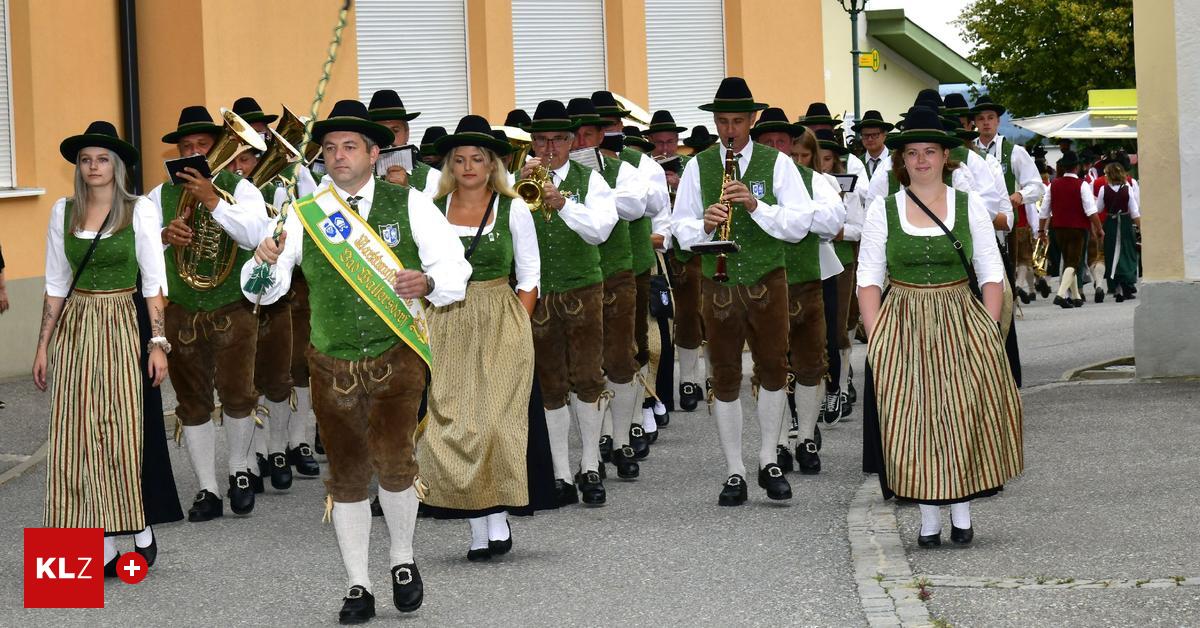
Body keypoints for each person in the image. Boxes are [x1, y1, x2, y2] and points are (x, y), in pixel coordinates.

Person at [245, 99, 471, 622]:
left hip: (397, 357)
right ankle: (357, 584)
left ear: (374, 152)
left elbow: (452, 269)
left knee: (395, 463)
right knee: (345, 475)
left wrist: (430, 282)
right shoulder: (305, 215)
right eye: (329, 148)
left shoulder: (409, 203)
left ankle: (402, 559)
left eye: (349, 147)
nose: (338, 156)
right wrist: (263, 262)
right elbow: (264, 290)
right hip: (331, 362)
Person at [858, 106, 1023, 548]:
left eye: (930, 151)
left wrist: (987, 329)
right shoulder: (883, 209)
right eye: (913, 153)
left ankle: (963, 513)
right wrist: (877, 339)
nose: (922, 160)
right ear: (903, 160)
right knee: (912, 418)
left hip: (959, 315)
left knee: (961, 412)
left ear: (945, 155)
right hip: (903, 319)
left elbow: (991, 272)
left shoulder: (968, 207)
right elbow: (868, 279)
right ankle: (929, 519)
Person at [672, 77, 841, 506]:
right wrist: (703, 225)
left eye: (737, 121)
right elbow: (678, 228)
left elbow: (799, 222)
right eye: (722, 121)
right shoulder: (699, 165)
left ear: (752, 120)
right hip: (720, 282)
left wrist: (754, 205)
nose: (729, 130)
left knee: (772, 368)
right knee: (724, 375)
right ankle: (734, 470)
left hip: (768, 280)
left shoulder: (776, 163)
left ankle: (768, 457)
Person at [415, 115, 554, 561]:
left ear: (492, 164)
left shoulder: (514, 208)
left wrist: (519, 321)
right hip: (446, 318)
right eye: (460, 159)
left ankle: (498, 516)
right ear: (449, 166)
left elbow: (530, 273)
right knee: (456, 422)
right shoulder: (429, 208)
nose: (469, 166)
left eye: (477, 158)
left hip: (500, 317)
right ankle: (479, 526)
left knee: (497, 420)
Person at [33, 121, 169, 575]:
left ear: (116, 166)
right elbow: (56, 284)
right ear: (78, 166)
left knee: (118, 431)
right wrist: (42, 347)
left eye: (102, 159)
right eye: (87, 159)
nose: (94, 166)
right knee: (75, 434)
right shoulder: (63, 212)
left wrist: (158, 343)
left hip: (120, 325)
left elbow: (153, 283)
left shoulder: (140, 212)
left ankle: (139, 528)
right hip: (76, 328)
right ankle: (103, 539)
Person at [155, 106, 270, 521]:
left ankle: (239, 470)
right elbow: (143, 248)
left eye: (201, 146)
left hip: (232, 307)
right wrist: (166, 237)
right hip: (183, 310)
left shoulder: (240, 188)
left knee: (239, 394)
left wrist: (212, 201)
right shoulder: (160, 194)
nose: (192, 152)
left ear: (216, 149)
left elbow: (256, 234)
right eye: (185, 147)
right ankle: (207, 489)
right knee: (192, 402)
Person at [518, 100, 618, 506]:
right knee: (549, 383)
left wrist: (562, 203)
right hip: (537, 291)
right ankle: (560, 471)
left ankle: (590, 464)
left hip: (582, 289)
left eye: (557, 139)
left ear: (572, 141)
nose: (549, 147)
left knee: (588, 376)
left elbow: (601, 231)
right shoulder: (515, 179)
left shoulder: (589, 179)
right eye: (541, 140)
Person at [751, 112, 844, 475]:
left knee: (810, 361)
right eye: (768, 143)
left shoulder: (814, 180)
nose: (776, 149)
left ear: (792, 145)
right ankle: (775, 442)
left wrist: (779, 215)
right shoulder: (747, 181)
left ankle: (805, 436)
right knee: (770, 363)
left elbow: (831, 222)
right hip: (762, 284)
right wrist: (793, 217)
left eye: (782, 143)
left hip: (807, 280)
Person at [568, 97, 651, 478]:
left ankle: (620, 440)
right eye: (577, 135)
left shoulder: (626, 168)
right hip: (573, 278)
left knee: (619, 357)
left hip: (617, 271)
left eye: (589, 134)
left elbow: (634, 206)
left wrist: (592, 196)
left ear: (603, 136)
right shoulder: (546, 175)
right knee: (582, 366)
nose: (582, 142)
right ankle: (595, 439)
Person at [593, 91, 672, 458]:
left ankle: (638, 412)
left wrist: (616, 175)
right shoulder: (577, 163)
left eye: (611, 124)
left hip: (635, 261)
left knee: (635, 343)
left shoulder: (639, 164)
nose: (607, 131)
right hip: (590, 266)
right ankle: (607, 426)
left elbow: (654, 205)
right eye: (599, 125)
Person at [649, 112, 706, 412]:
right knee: (657, 320)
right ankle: (656, 389)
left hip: (686, 251)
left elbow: (701, 203)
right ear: (650, 142)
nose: (665, 148)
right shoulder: (645, 168)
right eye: (659, 142)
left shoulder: (689, 168)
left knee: (688, 315)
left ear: (678, 142)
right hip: (657, 251)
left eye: (670, 142)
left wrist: (679, 184)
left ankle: (688, 379)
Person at [813, 129, 863, 423]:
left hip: (840, 261)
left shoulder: (844, 187)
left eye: (828, 159)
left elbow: (860, 227)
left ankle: (841, 387)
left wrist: (839, 230)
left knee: (838, 328)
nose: (823, 164)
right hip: (809, 263)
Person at [1039, 154, 1104, 309]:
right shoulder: (1081, 185)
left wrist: (1042, 230)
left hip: (1058, 228)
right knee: (1073, 262)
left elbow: (1044, 211)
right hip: (1077, 229)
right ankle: (1061, 294)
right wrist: (1099, 229)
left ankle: (1075, 296)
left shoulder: (1052, 185)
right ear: (1077, 167)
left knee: (1068, 259)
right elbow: (1091, 210)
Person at [367, 89, 442, 196]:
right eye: (381, 132)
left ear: (407, 133)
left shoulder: (433, 178)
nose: (389, 139)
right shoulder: (356, 176)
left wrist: (407, 191)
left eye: (395, 131)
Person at [1096, 161, 1141, 301]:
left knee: (1111, 255)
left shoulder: (1104, 189)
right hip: (1126, 224)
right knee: (1127, 254)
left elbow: (1098, 209)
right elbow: (1134, 212)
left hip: (1111, 223)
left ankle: (1116, 288)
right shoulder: (1127, 188)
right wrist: (1141, 229)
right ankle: (1125, 285)